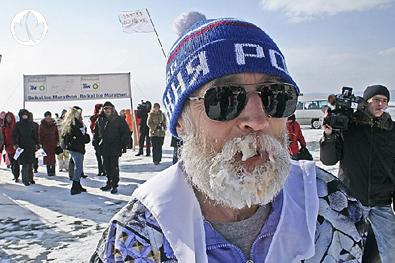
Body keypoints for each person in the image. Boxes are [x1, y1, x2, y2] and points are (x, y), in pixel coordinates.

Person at [91, 13, 367, 262]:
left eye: (276, 97)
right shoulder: (136, 239)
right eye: (224, 99)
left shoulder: (331, 204)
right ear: (182, 123)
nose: (257, 120)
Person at [320, 84, 395, 263]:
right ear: (366, 102)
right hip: (352, 199)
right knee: (347, 249)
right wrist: (329, 136)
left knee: (390, 251)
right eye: (376, 100)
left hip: (382, 201)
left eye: (384, 101)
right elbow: (329, 160)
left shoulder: (391, 130)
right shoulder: (350, 126)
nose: (381, 104)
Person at [95, 101, 131, 194]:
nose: (107, 110)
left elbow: (126, 132)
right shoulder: (100, 120)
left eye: (109, 108)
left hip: (115, 146)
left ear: (112, 109)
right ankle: (109, 182)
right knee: (106, 166)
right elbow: (96, 133)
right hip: (104, 146)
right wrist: (96, 143)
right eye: (105, 108)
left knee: (114, 166)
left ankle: (114, 184)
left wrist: (124, 145)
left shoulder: (118, 119)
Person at [61, 106, 90, 195]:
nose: (80, 114)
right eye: (78, 113)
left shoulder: (78, 122)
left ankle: (77, 184)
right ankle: (75, 185)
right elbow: (76, 136)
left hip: (78, 147)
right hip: (75, 148)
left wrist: (85, 137)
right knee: (78, 167)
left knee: (78, 167)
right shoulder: (72, 124)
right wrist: (85, 138)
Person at [12, 109, 38, 186]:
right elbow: (14, 135)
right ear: (20, 115)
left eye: (26, 114)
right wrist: (15, 144)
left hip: (31, 146)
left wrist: (37, 143)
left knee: (31, 163)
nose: (25, 116)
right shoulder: (18, 125)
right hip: (22, 146)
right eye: (23, 114)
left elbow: (34, 135)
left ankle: (31, 178)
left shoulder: (31, 124)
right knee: (25, 164)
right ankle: (25, 179)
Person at [39, 111, 59, 176]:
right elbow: (40, 134)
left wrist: (57, 141)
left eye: (49, 116)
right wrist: (40, 142)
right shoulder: (42, 125)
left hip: (53, 142)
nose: (48, 118)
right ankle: (49, 171)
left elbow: (56, 133)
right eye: (46, 117)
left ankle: (53, 171)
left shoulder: (54, 124)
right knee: (47, 157)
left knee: (53, 157)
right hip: (45, 143)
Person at [90, 103, 105, 176]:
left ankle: (102, 170)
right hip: (97, 139)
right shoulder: (94, 118)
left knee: (101, 155)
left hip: (98, 139)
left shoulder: (96, 118)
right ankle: (101, 170)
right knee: (100, 155)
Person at [2, 112, 19, 181]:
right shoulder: (4, 127)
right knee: (12, 162)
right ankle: (14, 174)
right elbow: (3, 137)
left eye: (10, 117)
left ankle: (16, 176)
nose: (8, 119)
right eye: (7, 118)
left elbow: (19, 136)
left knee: (16, 162)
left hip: (16, 147)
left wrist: (17, 144)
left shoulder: (16, 126)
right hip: (8, 147)